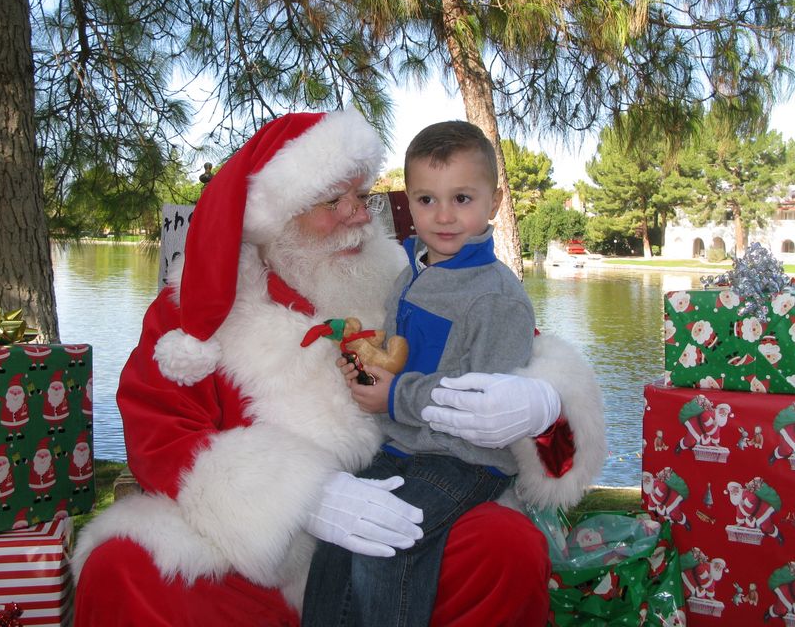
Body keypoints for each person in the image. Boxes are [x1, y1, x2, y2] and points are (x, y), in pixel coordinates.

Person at [71, 109, 606, 626]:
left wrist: (543, 405)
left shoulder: (409, 279)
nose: (358, 215)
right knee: (124, 569)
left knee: (502, 545)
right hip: (260, 556)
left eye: (363, 197)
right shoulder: (195, 312)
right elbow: (160, 434)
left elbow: (518, 354)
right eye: (333, 200)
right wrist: (302, 497)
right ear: (276, 217)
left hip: (408, 512)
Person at [301, 120, 549, 626]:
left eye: (462, 198)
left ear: (494, 202)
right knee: (336, 541)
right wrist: (366, 364)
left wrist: (395, 398)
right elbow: (398, 352)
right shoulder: (409, 275)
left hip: (466, 460)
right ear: (407, 202)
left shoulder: (497, 298)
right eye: (426, 200)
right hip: (403, 447)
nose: (444, 217)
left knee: (387, 543)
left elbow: (478, 399)